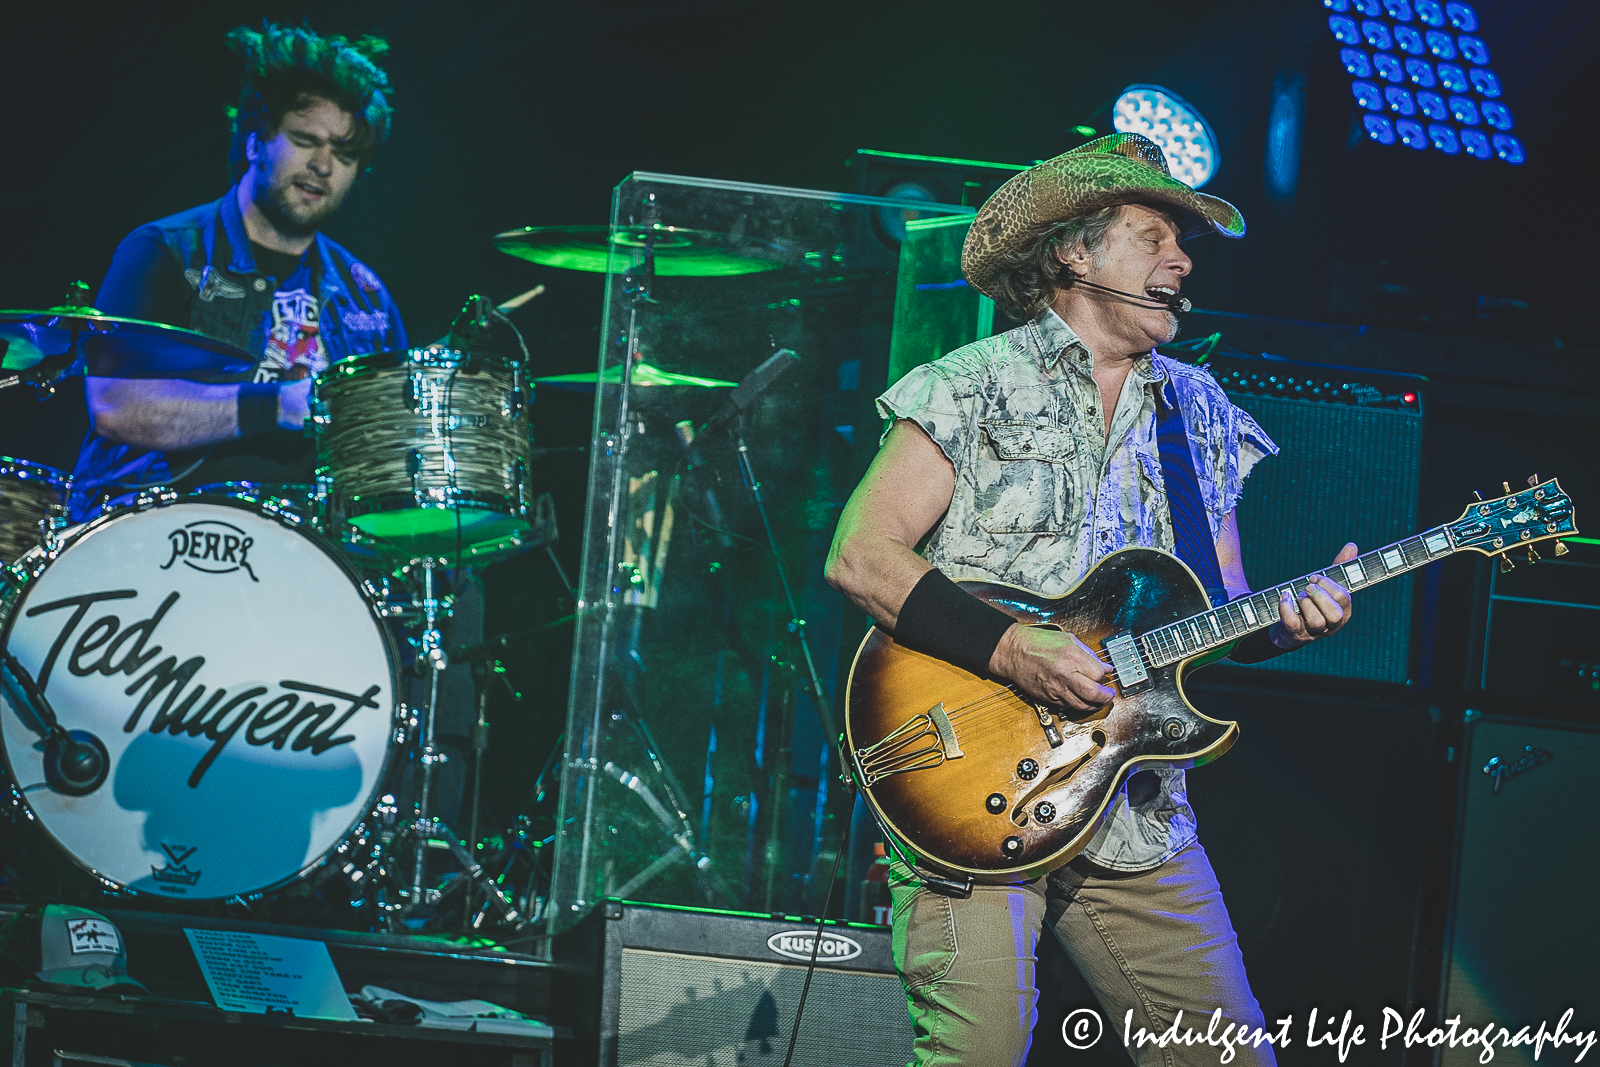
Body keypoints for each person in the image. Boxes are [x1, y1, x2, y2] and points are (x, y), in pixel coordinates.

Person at [824, 133, 1357, 1066]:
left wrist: (1281, 623)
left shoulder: (1201, 415)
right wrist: (1011, 648)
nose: (1180, 260)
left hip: (1135, 804)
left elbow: (1216, 606)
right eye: (1154, 234)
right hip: (970, 784)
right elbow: (862, 557)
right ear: (1074, 250)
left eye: (1185, 246)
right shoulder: (971, 384)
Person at [69, 23, 405, 519]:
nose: (323, 166)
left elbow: (387, 453)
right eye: (304, 139)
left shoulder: (367, 298)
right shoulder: (164, 252)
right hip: (159, 535)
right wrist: (279, 406)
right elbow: (117, 406)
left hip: (312, 558)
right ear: (254, 141)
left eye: (345, 154)